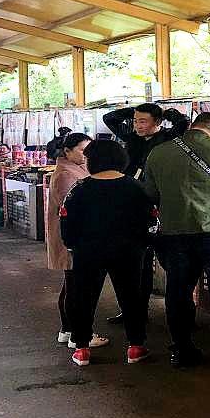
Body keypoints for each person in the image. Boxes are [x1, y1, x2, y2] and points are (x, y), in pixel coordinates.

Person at [143, 112, 210, 369]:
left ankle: (183, 352)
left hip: (174, 235)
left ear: (192, 126)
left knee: (178, 294)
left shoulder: (158, 152)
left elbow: (151, 193)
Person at [60, 140, 156, 367]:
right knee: (131, 297)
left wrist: (73, 245)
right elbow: (151, 220)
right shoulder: (136, 188)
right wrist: (144, 244)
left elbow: (66, 222)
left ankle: (82, 349)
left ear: (92, 161)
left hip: (87, 253)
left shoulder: (80, 189)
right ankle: (136, 347)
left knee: (84, 297)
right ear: (122, 159)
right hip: (129, 252)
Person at [102, 103, 189, 324]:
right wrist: (132, 111)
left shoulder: (168, 137)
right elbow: (109, 118)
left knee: (172, 262)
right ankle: (135, 311)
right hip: (134, 205)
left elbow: (183, 123)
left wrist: (168, 113)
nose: (137, 125)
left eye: (143, 121)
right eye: (135, 121)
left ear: (157, 122)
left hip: (162, 205)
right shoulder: (132, 137)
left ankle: (181, 316)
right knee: (137, 263)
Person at [45, 131, 110, 350]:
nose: (86, 154)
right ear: (67, 151)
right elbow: (74, 209)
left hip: (73, 237)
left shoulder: (75, 169)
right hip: (73, 239)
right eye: (82, 150)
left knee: (71, 286)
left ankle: (68, 330)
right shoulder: (66, 174)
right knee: (77, 288)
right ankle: (79, 335)